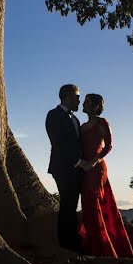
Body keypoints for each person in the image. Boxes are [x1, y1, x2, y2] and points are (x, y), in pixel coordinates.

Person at [77, 93, 133, 258]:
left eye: (87, 102)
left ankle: (104, 249)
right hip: (84, 169)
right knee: (87, 205)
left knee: (94, 204)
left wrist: (93, 162)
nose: (84, 104)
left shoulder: (102, 123)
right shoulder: (82, 126)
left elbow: (108, 146)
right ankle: (92, 245)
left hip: (96, 169)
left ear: (96, 106)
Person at [45, 84, 84, 251]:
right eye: (76, 96)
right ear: (66, 96)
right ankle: (66, 244)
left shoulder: (75, 119)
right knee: (67, 203)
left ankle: (73, 240)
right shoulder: (53, 115)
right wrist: (77, 162)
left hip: (77, 168)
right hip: (62, 167)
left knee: (72, 204)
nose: (79, 100)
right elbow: (58, 143)